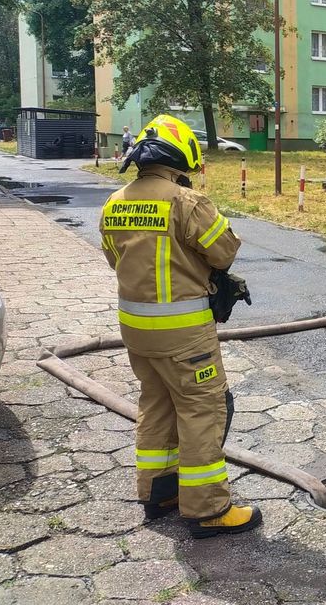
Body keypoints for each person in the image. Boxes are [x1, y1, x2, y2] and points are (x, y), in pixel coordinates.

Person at [99, 114, 261, 539]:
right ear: (180, 160)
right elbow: (224, 252)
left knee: (156, 406)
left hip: (136, 332)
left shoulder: (115, 202)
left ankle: (158, 492)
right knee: (201, 410)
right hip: (185, 335)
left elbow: (115, 258)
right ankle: (209, 509)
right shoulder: (186, 203)